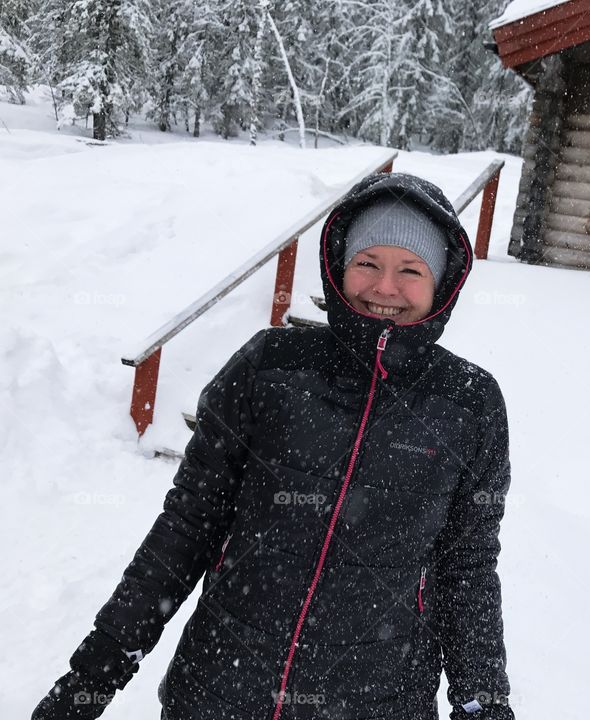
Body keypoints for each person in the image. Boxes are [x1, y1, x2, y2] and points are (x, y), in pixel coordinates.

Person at [32, 172, 516, 720]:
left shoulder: (469, 404)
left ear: (441, 282)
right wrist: (93, 675)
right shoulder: (270, 365)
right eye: (368, 263)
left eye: (410, 270)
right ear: (340, 268)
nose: (384, 288)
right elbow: (187, 528)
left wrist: (485, 703)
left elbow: (466, 568)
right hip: (220, 693)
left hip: (375, 701)